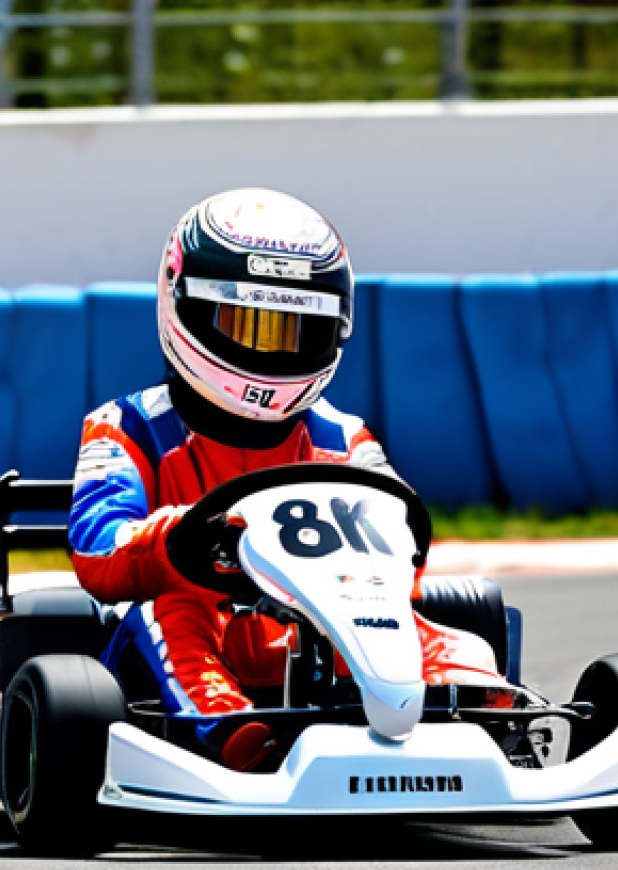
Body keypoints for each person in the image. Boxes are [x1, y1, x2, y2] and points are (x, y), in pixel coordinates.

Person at [67, 188, 500, 771]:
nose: (268, 349)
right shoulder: (128, 429)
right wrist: (180, 538)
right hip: (174, 641)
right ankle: (235, 738)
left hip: (315, 635)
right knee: (164, 614)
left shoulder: (343, 437)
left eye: (295, 329)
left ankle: (481, 721)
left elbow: (405, 551)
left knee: (431, 629)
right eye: (246, 322)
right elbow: (97, 549)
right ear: (183, 304)